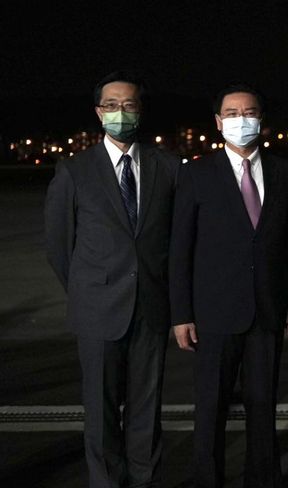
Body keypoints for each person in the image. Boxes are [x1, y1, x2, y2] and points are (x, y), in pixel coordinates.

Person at [44, 71, 180, 488]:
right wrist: (91, 290)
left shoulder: (168, 167)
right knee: (101, 414)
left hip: (152, 309)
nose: (121, 112)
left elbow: (174, 241)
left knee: (146, 411)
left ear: (141, 110)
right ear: (98, 112)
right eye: (112, 105)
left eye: (129, 104)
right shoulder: (74, 171)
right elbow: (59, 246)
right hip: (98, 310)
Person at [169, 84, 288, 488]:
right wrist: (182, 315)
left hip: (267, 310)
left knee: (263, 405)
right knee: (210, 407)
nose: (241, 119)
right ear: (217, 122)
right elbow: (180, 250)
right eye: (231, 113)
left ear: (261, 119)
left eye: (249, 112)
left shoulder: (284, 172)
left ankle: (263, 479)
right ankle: (206, 479)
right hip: (213, 313)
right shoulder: (196, 172)